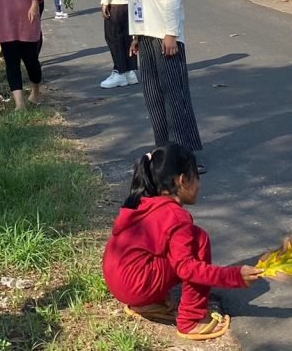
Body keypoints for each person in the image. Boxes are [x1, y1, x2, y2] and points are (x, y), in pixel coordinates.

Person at [102, 143, 262, 341]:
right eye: (197, 177)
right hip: (136, 286)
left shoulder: (144, 202)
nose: (199, 185)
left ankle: (146, 303)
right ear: (183, 180)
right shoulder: (176, 217)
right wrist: (235, 276)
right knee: (199, 239)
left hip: (118, 283)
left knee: (172, 249)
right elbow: (187, 268)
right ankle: (190, 320)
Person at [117, 0, 204, 170]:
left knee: (175, 96)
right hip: (145, 35)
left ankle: (186, 159)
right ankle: (164, 151)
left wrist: (171, 33)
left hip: (166, 35)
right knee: (153, 95)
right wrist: (135, 34)